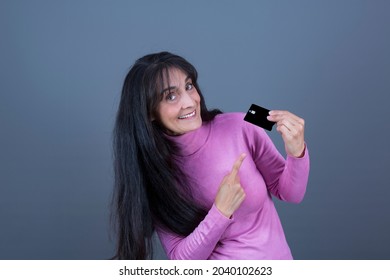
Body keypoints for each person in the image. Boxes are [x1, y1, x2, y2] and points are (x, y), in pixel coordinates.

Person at [112, 51, 310, 260]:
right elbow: (181, 261)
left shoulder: (242, 124)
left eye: (189, 86)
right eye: (171, 96)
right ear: (149, 112)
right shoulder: (155, 174)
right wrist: (220, 212)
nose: (189, 102)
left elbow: (292, 194)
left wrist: (297, 152)